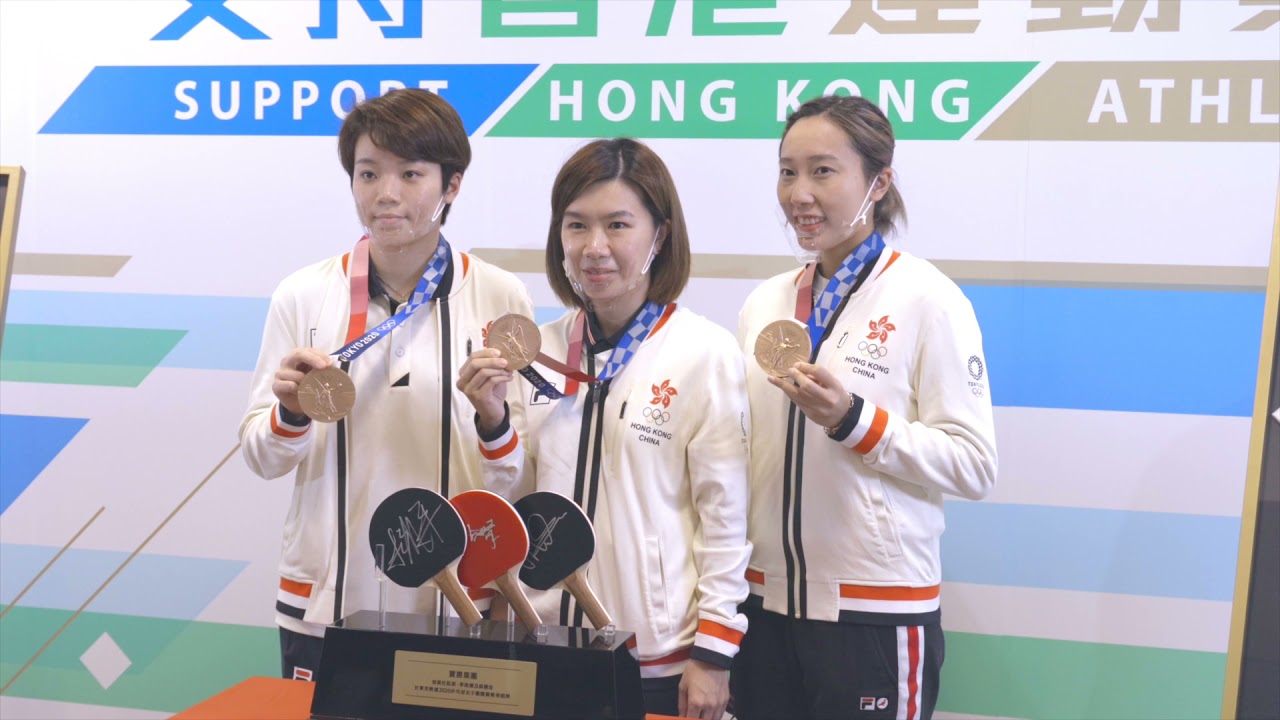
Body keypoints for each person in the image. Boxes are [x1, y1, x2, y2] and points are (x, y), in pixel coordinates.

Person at [239, 88, 534, 682]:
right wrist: (290, 414)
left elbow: (517, 480)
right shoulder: (303, 295)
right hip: (326, 603)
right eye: (368, 173)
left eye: (410, 174)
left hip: (455, 606)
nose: (386, 193)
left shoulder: (499, 296)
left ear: (452, 185)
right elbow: (262, 458)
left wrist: (494, 421)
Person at [457, 138, 751, 720]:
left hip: (656, 655)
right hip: (545, 641)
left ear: (659, 236)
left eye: (617, 225)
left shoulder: (704, 352)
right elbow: (513, 497)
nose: (594, 248)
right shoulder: (537, 350)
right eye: (576, 226)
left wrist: (714, 653)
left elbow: (725, 514)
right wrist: (492, 421)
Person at [731, 95, 998, 720]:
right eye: (788, 171)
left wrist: (854, 421)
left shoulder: (929, 299)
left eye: (823, 171)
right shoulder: (765, 303)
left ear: (879, 183)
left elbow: (975, 466)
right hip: (762, 606)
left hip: (875, 612)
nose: (799, 194)